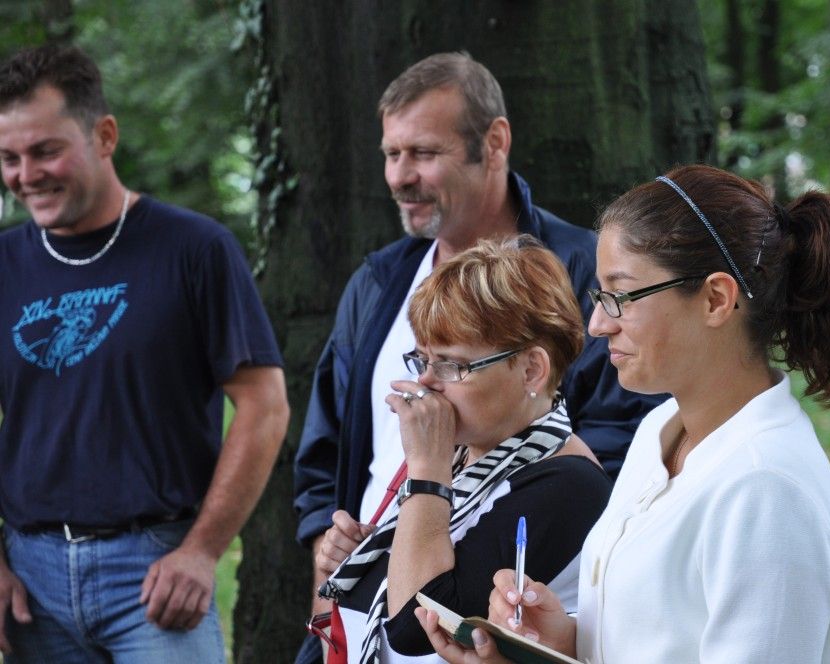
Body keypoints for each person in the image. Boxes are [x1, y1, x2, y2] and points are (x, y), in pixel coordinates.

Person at [417, 164, 830, 663]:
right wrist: (564, 641)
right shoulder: (663, 428)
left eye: (620, 296)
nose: (596, 324)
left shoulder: (765, 491)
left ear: (716, 300)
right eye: (598, 295)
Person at [293, 52, 659, 656]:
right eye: (391, 153)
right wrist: (350, 552)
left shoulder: (583, 275)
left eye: (423, 152)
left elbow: (614, 451)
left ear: (494, 144)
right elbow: (326, 448)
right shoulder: (379, 282)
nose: (399, 176)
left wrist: (435, 492)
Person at [0, 45, 289, 662]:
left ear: (105, 136)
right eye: (9, 158)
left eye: (46, 151)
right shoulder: (4, 265)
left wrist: (203, 550)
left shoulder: (195, 249)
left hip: (157, 574)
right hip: (30, 584)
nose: (26, 174)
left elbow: (264, 405)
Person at [313, 236, 611, 663]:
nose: (426, 382)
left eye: (451, 365)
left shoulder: (568, 484)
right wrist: (363, 557)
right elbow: (401, 585)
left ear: (531, 370)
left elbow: (414, 626)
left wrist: (427, 471)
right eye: (422, 360)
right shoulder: (465, 455)